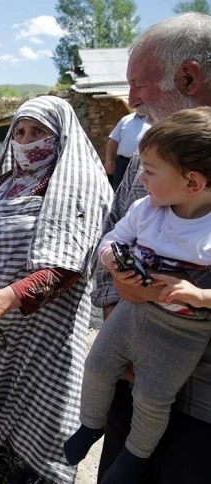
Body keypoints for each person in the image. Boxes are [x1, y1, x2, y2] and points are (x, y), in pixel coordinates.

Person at [0, 95, 112, 484]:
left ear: (61, 135)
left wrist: (6, 298)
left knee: (34, 433)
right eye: (19, 131)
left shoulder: (78, 184)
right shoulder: (7, 182)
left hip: (42, 338)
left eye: (38, 131)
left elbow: (68, 265)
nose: (26, 139)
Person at [92, 13, 211, 484]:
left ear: (187, 77)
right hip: (133, 376)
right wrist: (120, 336)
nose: (132, 99)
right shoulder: (151, 152)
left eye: (138, 84)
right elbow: (113, 233)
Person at [65, 107, 211, 483]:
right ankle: (90, 425)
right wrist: (114, 261)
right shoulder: (146, 209)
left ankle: (134, 457)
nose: (140, 178)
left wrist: (199, 295)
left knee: (152, 397)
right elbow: (112, 238)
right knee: (97, 366)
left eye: (149, 171)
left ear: (192, 183)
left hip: (181, 333)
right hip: (132, 314)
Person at [105, 112, 151, 189]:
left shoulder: (154, 119)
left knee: (141, 190)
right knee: (119, 188)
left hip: (143, 164)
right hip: (123, 162)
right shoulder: (125, 119)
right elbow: (113, 141)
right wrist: (108, 160)